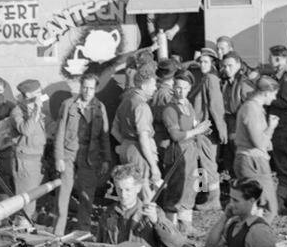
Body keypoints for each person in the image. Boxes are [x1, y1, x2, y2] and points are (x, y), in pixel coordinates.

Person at [54, 72, 109, 235]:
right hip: (69, 154)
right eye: (84, 87)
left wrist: (106, 159)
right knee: (63, 193)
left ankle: (82, 232)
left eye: (91, 88)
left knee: (87, 195)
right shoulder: (68, 105)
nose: (87, 91)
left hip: (89, 156)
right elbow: (60, 132)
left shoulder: (100, 107)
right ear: (80, 87)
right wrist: (59, 158)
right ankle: (57, 232)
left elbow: (104, 136)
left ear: (96, 89)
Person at [160, 69, 214, 234]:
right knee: (176, 188)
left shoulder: (188, 105)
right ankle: (170, 226)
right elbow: (176, 135)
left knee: (190, 186)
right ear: (173, 87)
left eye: (184, 87)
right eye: (177, 87)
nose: (180, 91)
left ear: (190, 88)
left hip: (191, 151)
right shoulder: (170, 109)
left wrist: (203, 129)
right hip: (178, 153)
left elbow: (193, 124)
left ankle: (186, 225)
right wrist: (197, 130)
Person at [232, 76, 280, 222]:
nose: (275, 98)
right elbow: (259, 142)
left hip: (249, 160)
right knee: (268, 208)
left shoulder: (253, 107)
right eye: (274, 94)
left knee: (254, 208)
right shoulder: (251, 109)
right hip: (253, 161)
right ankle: (256, 239)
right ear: (266, 92)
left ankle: (247, 238)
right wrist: (271, 128)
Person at [110, 64, 163, 193]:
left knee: (131, 190)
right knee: (145, 191)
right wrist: (153, 166)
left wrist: (125, 143)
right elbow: (143, 139)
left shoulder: (126, 100)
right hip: (140, 151)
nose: (155, 88)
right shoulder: (142, 106)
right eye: (153, 85)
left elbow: (114, 129)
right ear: (144, 86)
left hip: (126, 148)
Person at [262, 44, 287, 210]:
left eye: (271, 57)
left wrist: (268, 100)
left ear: (278, 58)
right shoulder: (279, 74)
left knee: (282, 162)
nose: (269, 60)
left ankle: (280, 200)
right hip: (284, 122)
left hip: (284, 123)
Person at [189, 48, 226, 210]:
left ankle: (214, 199)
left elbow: (215, 106)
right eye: (201, 61)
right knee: (201, 162)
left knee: (208, 163)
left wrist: (221, 129)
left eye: (206, 62)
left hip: (206, 129)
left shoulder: (211, 79)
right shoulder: (205, 78)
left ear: (212, 63)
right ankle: (204, 194)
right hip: (200, 129)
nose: (202, 64)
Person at [10, 79, 49, 221]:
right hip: (25, 163)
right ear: (28, 94)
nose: (41, 95)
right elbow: (26, 130)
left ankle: (27, 226)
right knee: (25, 203)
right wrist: (37, 110)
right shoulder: (18, 111)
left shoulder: (33, 110)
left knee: (33, 202)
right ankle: (21, 231)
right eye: (38, 93)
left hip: (36, 161)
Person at [219, 52, 253, 181]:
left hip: (240, 128)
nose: (227, 69)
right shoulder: (227, 82)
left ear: (239, 65)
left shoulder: (245, 84)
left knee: (242, 164)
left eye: (230, 65)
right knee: (231, 162)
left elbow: (251, 110)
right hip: (230, 126)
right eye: (225, 66)